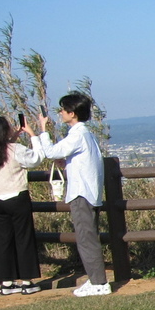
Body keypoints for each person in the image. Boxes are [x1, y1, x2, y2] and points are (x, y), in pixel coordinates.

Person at [36, 93, 110, 297]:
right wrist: (66, 162)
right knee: (87, 236)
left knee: (86, 238)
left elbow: (50, 152)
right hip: (88, 192)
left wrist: (43, 129)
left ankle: (99, 283)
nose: (60, 113)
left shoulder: (78, 134)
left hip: (82, 194)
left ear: (72, 113)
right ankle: (96, 280)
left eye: (62, 110)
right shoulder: (86, 134)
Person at [0, 115, 44, 295]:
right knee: (24, 239)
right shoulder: (15, 149)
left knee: (3, 241)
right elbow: (36, 158)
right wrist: (32, 135)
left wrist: (13, 137)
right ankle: (27, 281)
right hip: (17, 198)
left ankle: (6, 282)